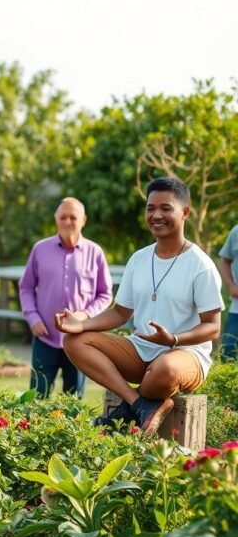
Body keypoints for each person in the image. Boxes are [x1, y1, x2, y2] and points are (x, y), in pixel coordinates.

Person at [57, 177, 223, 435]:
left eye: (166, 208)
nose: (156, 215)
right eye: (150, 208)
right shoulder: (139, 259)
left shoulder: (200, 264)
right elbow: (121, 313)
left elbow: (213, 327)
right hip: (141, 350)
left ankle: (125, 412)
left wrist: (173, 339)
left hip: (186, 355)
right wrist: (81, 324)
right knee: (73, 341)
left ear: (185, 212)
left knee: (165, 368)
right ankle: (137, 403)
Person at [19, 197, 113, 398]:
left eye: (73, 217)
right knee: (36, 398)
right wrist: (33, 319)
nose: (68, 221)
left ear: (83, 220)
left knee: (73, 401)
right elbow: (26, 288)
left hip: (79, 338)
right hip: (45, 336)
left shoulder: (95, 252)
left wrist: (86, 315)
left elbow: (105, 294)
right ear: (56, 219)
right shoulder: (40, 249)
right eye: (63, 217)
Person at [219, 223, 238, 361]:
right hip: (236, 308)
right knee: (228, 351)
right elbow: (225, 261)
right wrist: (231, 286)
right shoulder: (236, 231)